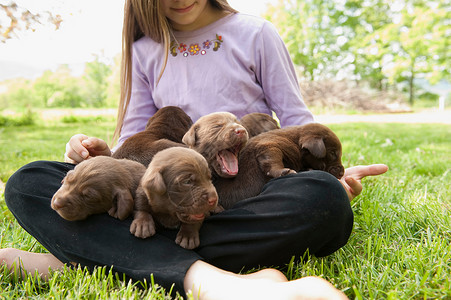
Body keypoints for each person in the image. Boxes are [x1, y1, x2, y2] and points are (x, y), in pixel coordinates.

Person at [2, 0, 388, 299]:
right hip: (166, 202)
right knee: (29, 181)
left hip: (245, 194)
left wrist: (330, 174)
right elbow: (135, 136)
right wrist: (103, 156)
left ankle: (88, 259)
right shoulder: (145, 50)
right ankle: (210, 280)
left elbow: (296, 120)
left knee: (321, 198)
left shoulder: (255, 34)